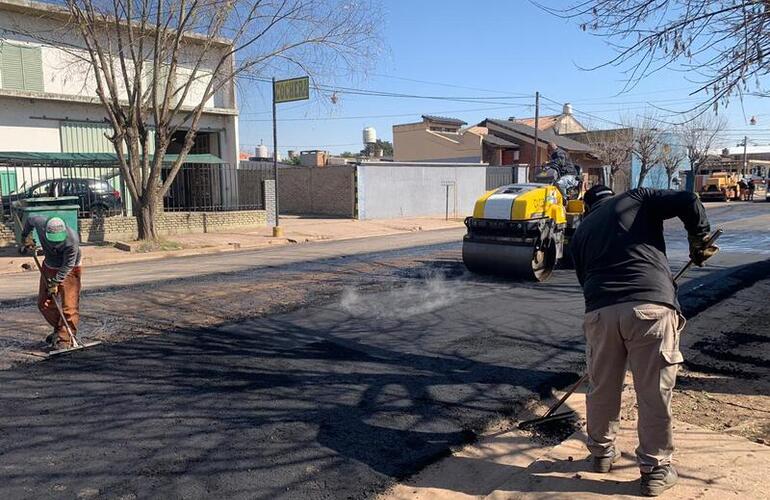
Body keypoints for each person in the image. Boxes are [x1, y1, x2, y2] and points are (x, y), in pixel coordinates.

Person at [570, 185, 717, 497]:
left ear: (587, 206)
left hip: (600, 312)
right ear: (611, 196)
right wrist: (699, 238)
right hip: (650, 307)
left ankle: (601, 454)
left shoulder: (581, 230)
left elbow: (585, 281)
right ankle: (655, 469)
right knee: (652, 390)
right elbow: (688, 199)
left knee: (602, 386)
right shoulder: (636, 198)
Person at [20, 215, 82, 350]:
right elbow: (29, 219)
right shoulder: (40, 222)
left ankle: (66, 338)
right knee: (44, 303)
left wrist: (55, 282)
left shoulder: (72, 240)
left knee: (69, 306)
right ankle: (60, 329)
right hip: (49, 265)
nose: (55, 243)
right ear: (45, 230)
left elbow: (68, 265)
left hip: (70, 269)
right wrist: (26, 236)